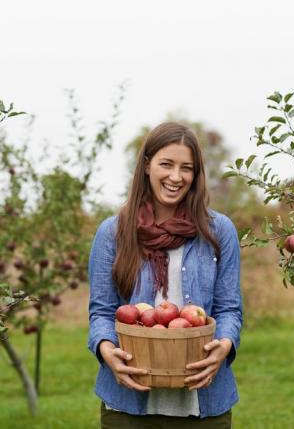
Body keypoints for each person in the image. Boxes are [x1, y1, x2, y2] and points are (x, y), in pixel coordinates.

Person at [87, 122, 243, 428]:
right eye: (166, 164)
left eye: (187, 168)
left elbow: (229, 309)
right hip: (128, 403)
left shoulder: (218, 231)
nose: (176, 177)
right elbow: (102, 312)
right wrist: (108, 352)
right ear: (147, 166)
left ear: (196, 174)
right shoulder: (113, 233)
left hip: (203, 402)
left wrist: (223, 347)